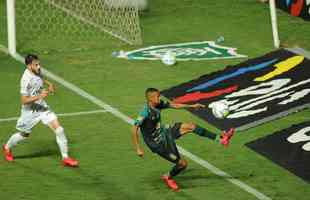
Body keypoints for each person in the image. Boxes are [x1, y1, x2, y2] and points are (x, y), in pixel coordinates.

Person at [132, 88, 234, 191]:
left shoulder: (158, 104)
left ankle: (221, 139)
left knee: (191, 126)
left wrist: (192, 106)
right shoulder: (145, 112)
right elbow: (134, 128)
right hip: (158, 144)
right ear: (150, 98)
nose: (159, 98)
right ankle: (168, 177)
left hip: (164, 132)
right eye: (157, 97)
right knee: (182, 164)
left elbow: (174, 105)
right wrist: (138, 148)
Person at [2, 54, 79, 167]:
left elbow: (40, 77)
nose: (38, 67)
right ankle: (7, 147)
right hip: (30, 111)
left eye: (39, 64)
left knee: (59, 129)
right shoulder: (25, 80)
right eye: (36, 65)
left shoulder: (36, 70)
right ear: (29, 66)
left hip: (42, 107)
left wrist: (49, 84)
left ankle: (65, 158)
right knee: (24, 134)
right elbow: (24, 101)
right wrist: (40, 96)